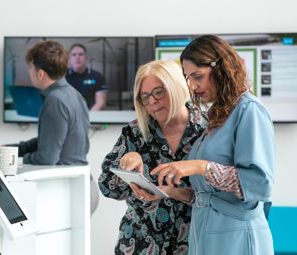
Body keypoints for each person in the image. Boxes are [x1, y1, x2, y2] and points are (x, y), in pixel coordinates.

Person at [150, 35, 276, 254]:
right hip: (206, 234)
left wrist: (199, 166)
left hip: (237, 237)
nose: (192, 86)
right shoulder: (218, 116)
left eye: (198, 76)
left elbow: (259, 184)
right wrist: (168, 192)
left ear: (221, 69)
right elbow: (211, 194)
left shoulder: (249, 110)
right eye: (188, 78)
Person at [98, 60, 205, 254]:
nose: (152, 102)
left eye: (159, 92)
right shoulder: (134, 133)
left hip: (194, 244)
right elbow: (107, 188)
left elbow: (223, 191)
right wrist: (125, 162)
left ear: (176, 87)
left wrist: (175, 193)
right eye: (145, 97)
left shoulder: (208, 129)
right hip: (140, 244)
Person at [0, 40, 89, 166]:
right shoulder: (75, 95)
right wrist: (10, 150)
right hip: (78, 180)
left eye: (30, 68)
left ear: (40, 74)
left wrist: (9, 160)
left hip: (66, 182)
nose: (29, 73)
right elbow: (50, 139)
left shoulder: (55, 101)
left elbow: (46, 159)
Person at [65, 43, 107, 110]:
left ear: (86, 58)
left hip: (91, 115)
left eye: (80, 54)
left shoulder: (97, 76)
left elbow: (100, 102)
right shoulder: (62, 76)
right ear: (69, 59)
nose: (77, 57)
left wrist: (89, 117)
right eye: (74, 55)